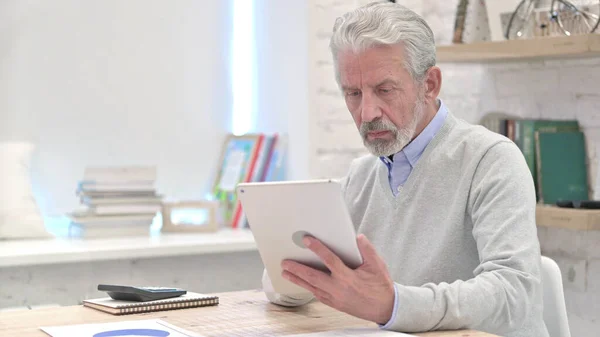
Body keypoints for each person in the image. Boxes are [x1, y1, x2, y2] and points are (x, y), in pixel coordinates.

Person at [261, 2, 548, 337]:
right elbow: (291, 288)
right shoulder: (360, 176)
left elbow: (514, 296)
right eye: (353, 93)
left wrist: (393, 305)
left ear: (429, 84)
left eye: (384, 90)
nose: (367, 113)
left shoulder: (492, 160)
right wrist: (289, 273)